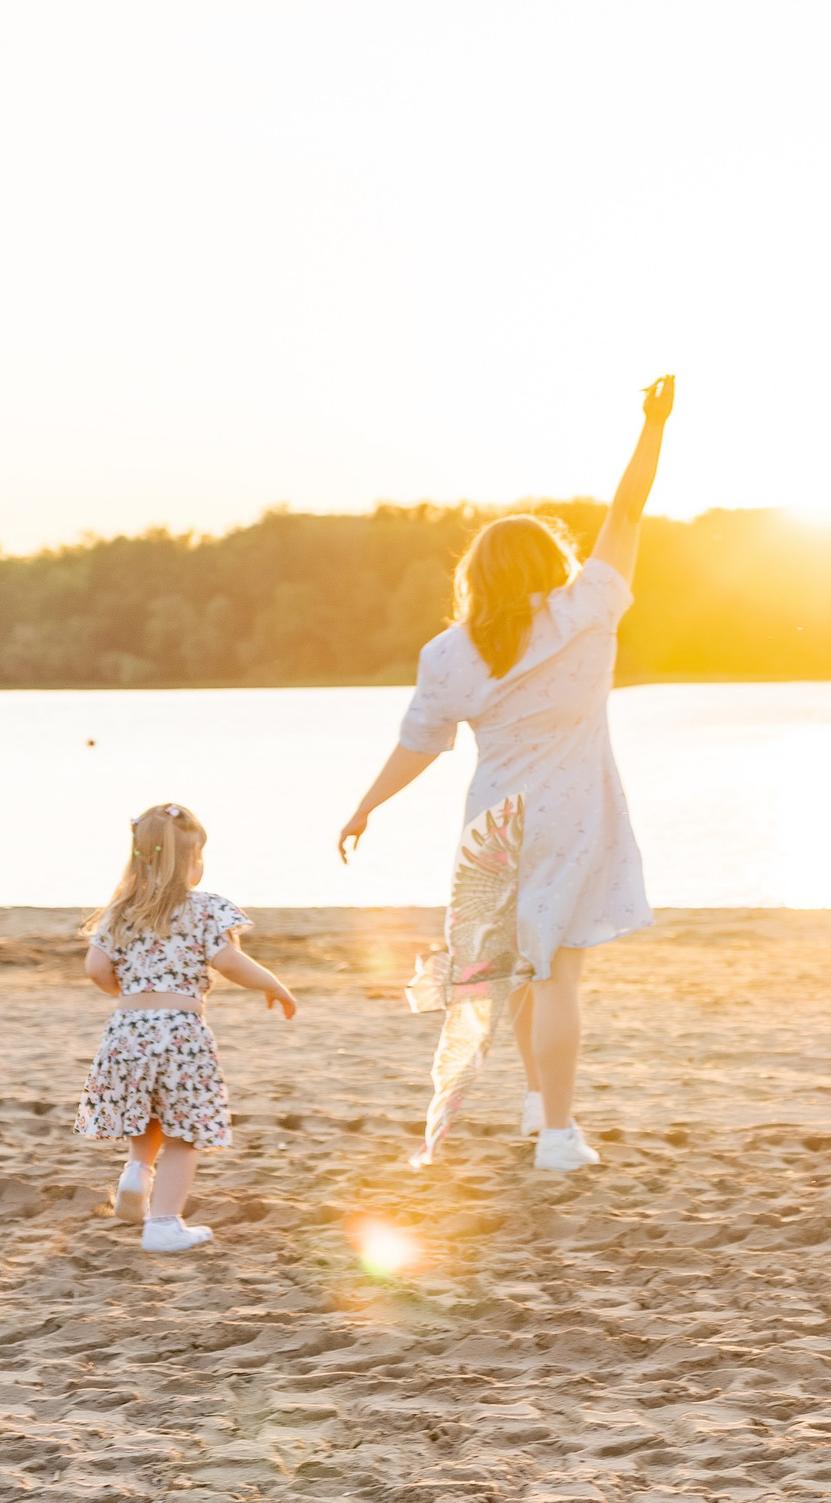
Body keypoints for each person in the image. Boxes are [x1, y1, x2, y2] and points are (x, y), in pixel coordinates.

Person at [339, 376, 675, 1172]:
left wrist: (366, 805)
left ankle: (535, 1103)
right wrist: (653, 426)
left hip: (493, 820)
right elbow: (626, 513)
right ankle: (558, 1135)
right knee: (557, 972)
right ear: (548, 564)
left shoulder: (450, 651)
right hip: (571, 814)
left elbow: (419, 743)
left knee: (527, 966)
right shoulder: (584, 609)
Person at [76, 802, 297, 1252]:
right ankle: (163, 1224)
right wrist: (273, 985)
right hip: (181, 1031)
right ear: (190, 862)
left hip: (127, 1030)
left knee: (145, 1109)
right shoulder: (207, 909)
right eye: (198, 857)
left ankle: (137, 1171)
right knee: (182, 1131)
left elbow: (96, 967)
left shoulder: (119, 912)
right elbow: (228, 960)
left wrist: (127, 989)